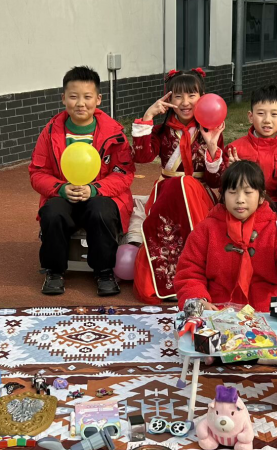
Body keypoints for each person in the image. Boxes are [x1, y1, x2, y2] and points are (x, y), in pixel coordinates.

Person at [29, 66, 135, 296]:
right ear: (63, 98)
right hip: (63, 194)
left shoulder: (114, 133)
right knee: (52, 212)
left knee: (101, 211)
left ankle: (104, 271)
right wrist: (61, 189)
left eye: (87, 97)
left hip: (99, 195)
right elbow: (37, 172)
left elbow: (123, 172)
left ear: (98, 99)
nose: (80, 103)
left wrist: (95, 189)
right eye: (73, 96)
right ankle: (54, 271)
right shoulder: (50, 132)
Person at [130, 68, 227, 303]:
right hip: (167, 194)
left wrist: (212, 146)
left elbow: (215, 181)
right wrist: (148, 116)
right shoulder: (162, 131)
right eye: (178, 96)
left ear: (202, 97)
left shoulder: (211, 130)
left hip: (200, 196)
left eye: (192, 95)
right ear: (169, 99)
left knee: (186, 183)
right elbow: (142, 157)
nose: (185, 102)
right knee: (178, 185)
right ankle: (168, 283)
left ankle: (201, 278)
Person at [174, 160, 277, 312]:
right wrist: (198, 300)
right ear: (223, 196)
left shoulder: (276, 229)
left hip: (268, 313)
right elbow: (189, 272)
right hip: (218, 311)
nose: (240, 200)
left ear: (261, 197)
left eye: (248, 192)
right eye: (232, 192)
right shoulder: (206, 229)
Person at [225, 85, 277, 211]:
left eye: (274, 114)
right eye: (260, 113)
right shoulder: (234, 149)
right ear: (250, 116)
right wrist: (233, 172)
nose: (267, 120)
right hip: (245, 206)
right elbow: (225, 190)